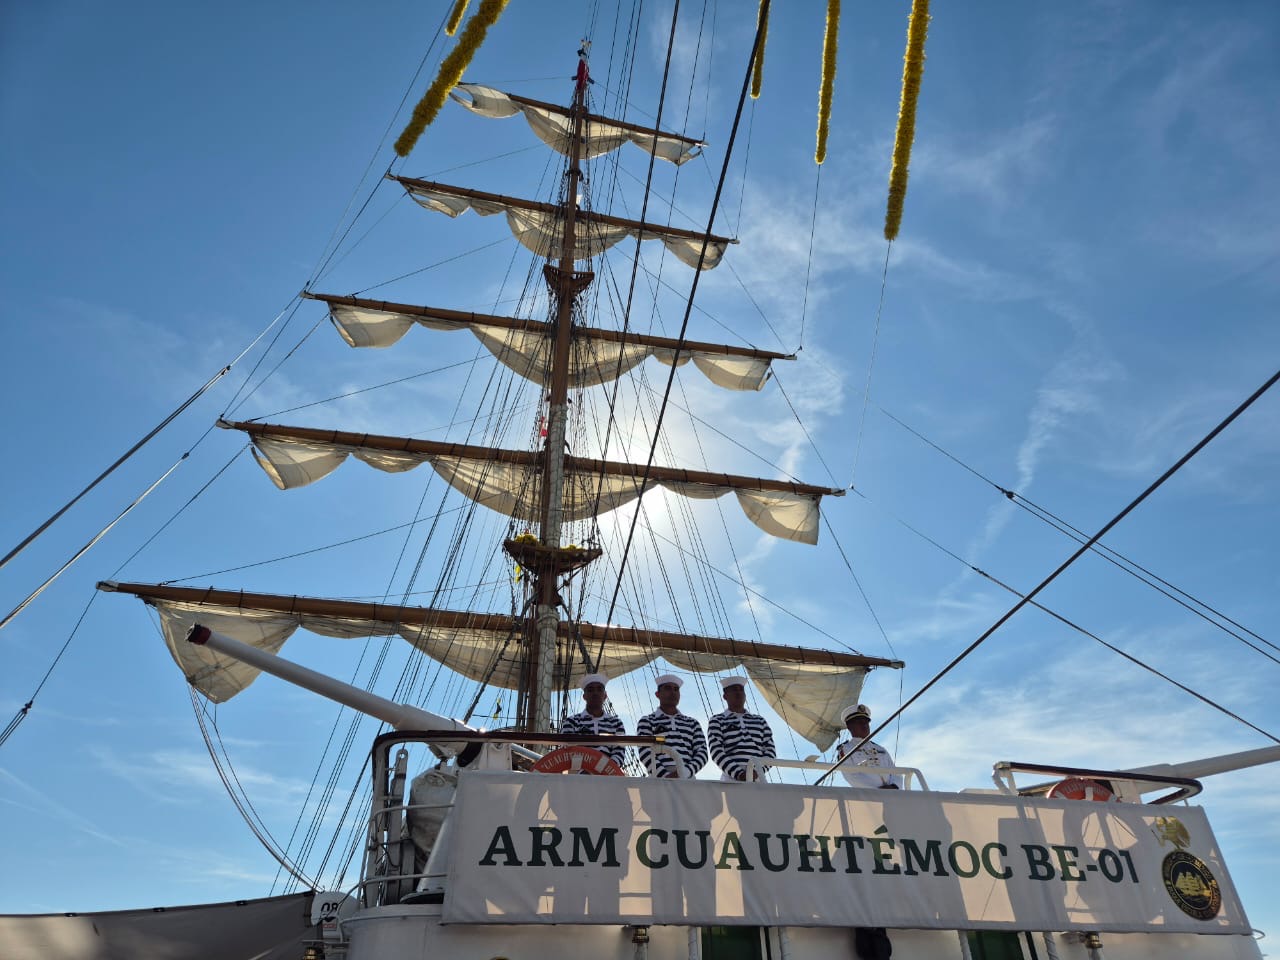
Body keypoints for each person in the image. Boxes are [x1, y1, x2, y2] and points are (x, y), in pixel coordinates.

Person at [636, 674, 707, 778]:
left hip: (688, 777)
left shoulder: (692, 723)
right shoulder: (647, 721)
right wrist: (664, 776)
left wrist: (685, 772)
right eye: (668, 688)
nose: (673, 692)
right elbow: (645, 751)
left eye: (676, 689)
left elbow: (702, 752)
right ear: (657, 694)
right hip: (658, 778)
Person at [707, 676, 776, 782]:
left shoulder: (760, 721)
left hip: (758, 778)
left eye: (741, 690)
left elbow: (770, 751)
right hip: (731, 779)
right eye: (734, 689)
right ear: (725, 696)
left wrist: (758, 772)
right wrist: (739, 774)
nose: (739, 693)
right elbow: (716, 751)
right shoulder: (717, 720)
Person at [560, 673, 627, 768]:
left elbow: (619, 752)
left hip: (608, 776)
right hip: (578, 776)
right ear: (584, 696)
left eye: (599, 689)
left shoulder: (616, 723)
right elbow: (568, 751)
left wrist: (603, 770)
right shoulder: (571, 722)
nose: (595, 693)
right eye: (590, 690)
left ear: (605, 695)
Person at [834, 703, 902, 789]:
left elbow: (895, 772)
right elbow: (851, 776)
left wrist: (894, 787)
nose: (864, 725)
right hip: (869, 797)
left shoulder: (880, 749)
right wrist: (876, 790)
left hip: (892, 795)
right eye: (859, 722)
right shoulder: (846, 749)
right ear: (849, 726)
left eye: (866, 722)